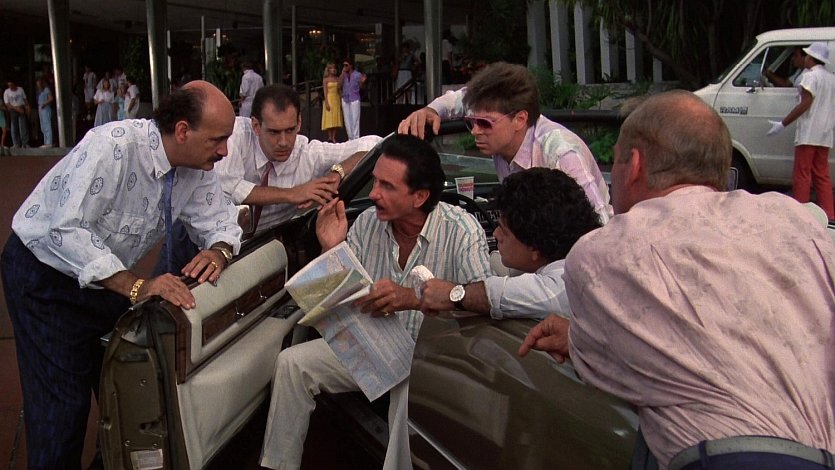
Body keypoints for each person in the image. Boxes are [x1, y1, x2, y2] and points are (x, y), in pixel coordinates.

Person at [519, 90, 835, 469]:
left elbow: (621, 363)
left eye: (615, 159)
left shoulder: (602, 252)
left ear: (634, 165)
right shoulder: (796, 221)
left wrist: (578, 340)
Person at [1, 80, 242, 469]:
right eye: (218, 139)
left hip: (103, 277)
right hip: (43, 275)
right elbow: (65, 230)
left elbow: (220, 221)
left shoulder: (195, 168)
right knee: (62, 408)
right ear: (183, 130)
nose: (225, 150)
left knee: (131, 388)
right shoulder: (113, 147)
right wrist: (137, 286)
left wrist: (219, 251)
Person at [260, 134, 492, 470]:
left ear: (420, 196)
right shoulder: (368, 222)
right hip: (372, 345)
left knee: (408, 390)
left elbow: (481, 301)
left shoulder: (462, 230)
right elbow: (335, 298)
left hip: (430, 358)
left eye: (387, 186)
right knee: (292, 364)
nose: (372, 193)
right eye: (375, 181)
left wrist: (412, 298)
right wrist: (331, 248)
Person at [155, 83, 382, 275]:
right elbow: (227, 187)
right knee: (154, 303)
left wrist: (337, 172)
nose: (283, 142)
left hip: (253, 251)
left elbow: (376, 146)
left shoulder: (308, 154)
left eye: (290, 130)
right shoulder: (233, 134)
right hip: (194, 239)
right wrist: (292, 194)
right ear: (256, 125)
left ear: (299, 123)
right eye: (274, 132)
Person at [398, 61, 613, 224]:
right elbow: (458, 99)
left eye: (485, 123)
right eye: (470, 122)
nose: (475, 131)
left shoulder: (560, 153)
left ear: (519, 119)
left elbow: (599, 222)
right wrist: (431, 110)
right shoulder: (499, 123)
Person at [419, 167, 600, 319]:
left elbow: (504, 294)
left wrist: (454, 294)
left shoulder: (571, 281)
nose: (495, 234)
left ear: (535, 247)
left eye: (503, 230)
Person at [767, 41, 835, 220]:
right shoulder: (831, 78)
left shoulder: (810, 77)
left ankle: (801, 215)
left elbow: (805, 103)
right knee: (822, 175)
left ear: (811, 58)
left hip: (808, 133)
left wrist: (783, 124)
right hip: (825, 134)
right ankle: (830, 215)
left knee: (802, 175)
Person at [340, 57, 366, 140]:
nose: (345, 67)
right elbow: (339, 84)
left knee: (355, 119)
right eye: (344, 65)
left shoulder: (357, 74)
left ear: (351, 66)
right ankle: (350, 138)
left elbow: (361, 87)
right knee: (347, 121)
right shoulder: (343, 75)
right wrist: (342, 73)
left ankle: (356, 138)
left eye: (346, 65)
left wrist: (362, 82)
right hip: (345, 98)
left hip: (354, 98)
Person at [321, 62, 343, 143]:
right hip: (329, 97)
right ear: (328, 70)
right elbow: (325, 91)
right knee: (329, 117)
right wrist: (326, 102)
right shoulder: (325, 80)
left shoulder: (337, 79)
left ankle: (333, 137)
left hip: (336, 98)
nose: (333, 70)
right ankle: (329, 136)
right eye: (331, 68)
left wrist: (341, 100)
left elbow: (339, 90)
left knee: (335, 118)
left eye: (334, 68)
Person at [4, 80, 29, 148]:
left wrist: (27, 107)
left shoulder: (20, 89)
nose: (10, 86)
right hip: (13, 109)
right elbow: (7, 103)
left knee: (23, 126)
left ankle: (25, 143)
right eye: (9, 85)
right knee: (14, 127)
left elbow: (25, 99)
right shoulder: (7, 92)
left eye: (11, 85)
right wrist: (17, 109)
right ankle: (16, 143)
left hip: (21, 107)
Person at [35, 78, 54, 147]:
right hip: (40, 107)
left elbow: (51, 98)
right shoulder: (38, 91)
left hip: (45, 108)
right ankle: (46, 141)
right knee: (42, 126)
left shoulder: (46, 89)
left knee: (47, 124)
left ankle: (49, 142)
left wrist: (45, 103)